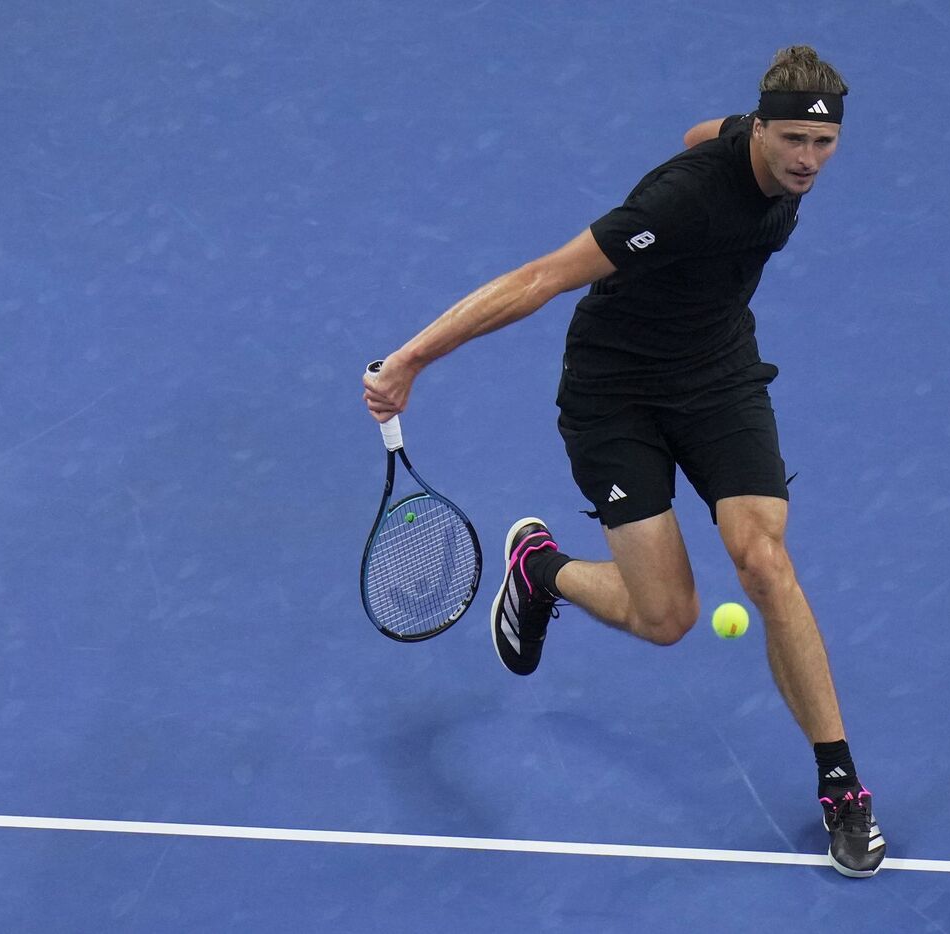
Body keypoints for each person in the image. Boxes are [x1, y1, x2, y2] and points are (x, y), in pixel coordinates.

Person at [364, 45, 886, 878]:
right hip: (616, 396)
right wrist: (410, 361)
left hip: (717, 377)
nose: (807, 161)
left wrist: (733, 138)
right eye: (794, 140)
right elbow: (540, 278)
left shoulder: (763, 149)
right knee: (667, 618)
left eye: (823, 144)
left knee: (763, 559)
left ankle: (841, 785)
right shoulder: (683, 203)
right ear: (763, 131)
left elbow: (701, 130)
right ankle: (541, 570)